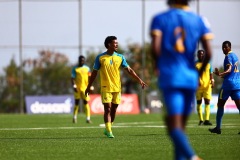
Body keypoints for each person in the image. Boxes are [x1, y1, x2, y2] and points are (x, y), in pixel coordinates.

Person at [150, 0, 213, 159]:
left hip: (171, 76)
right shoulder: (200, 20)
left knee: (173, 126)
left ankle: (193, 157)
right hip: (190, 78)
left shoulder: (160, 18)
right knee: (181, 128)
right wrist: (198, 75)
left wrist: (157, 65)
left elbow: (155, 48)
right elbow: (209, 53)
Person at [85, 36, 147, 138]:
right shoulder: (100, 58)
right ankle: (109, 131)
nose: (117, 45)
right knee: (107, 109)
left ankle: (108, 127)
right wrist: (88, 86)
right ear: (109, 44)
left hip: (117, 88)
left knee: (114, 109)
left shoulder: (120, 57)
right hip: (105, 87)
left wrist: (139, 80)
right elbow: (94, 73)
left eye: (117, 43)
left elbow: (129, 70)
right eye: (115, 43)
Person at [209, 41, 240, 134]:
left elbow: (229, 69)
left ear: (229, 47)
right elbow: (232, 72)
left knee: (220, 105)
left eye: (225, 47)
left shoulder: (228, 57)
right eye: (223, 47)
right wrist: (222, 75)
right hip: (237, 84)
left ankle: (218, 128)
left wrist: (220, 74)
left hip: (228, 85)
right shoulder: (235, 56)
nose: (223, 49)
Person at [195, 49, 214, 126]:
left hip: (207, 86)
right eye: (199, 54)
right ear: (197, 55)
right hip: (198, 87)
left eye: (202, 54)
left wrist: (212, 81)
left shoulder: (208, 64)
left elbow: (211, 73)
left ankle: (207, 120)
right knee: (199, 102)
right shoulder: (195, 64)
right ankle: (201, 120)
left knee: (207, 102)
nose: (201, 55)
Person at [71, 55, 92, 124]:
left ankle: (88, 118)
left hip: (85, 88)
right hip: (77, 88)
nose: (81, 61)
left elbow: (90, 77)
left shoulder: (87, 68)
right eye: (80, 60)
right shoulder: (75, 69)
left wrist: (90, 86)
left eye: (83, 60)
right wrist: (74, 86)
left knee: (86, 103)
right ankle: (74, 117)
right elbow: (72, 78)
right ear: (79, 61)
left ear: (84, 61)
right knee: (77, 103)